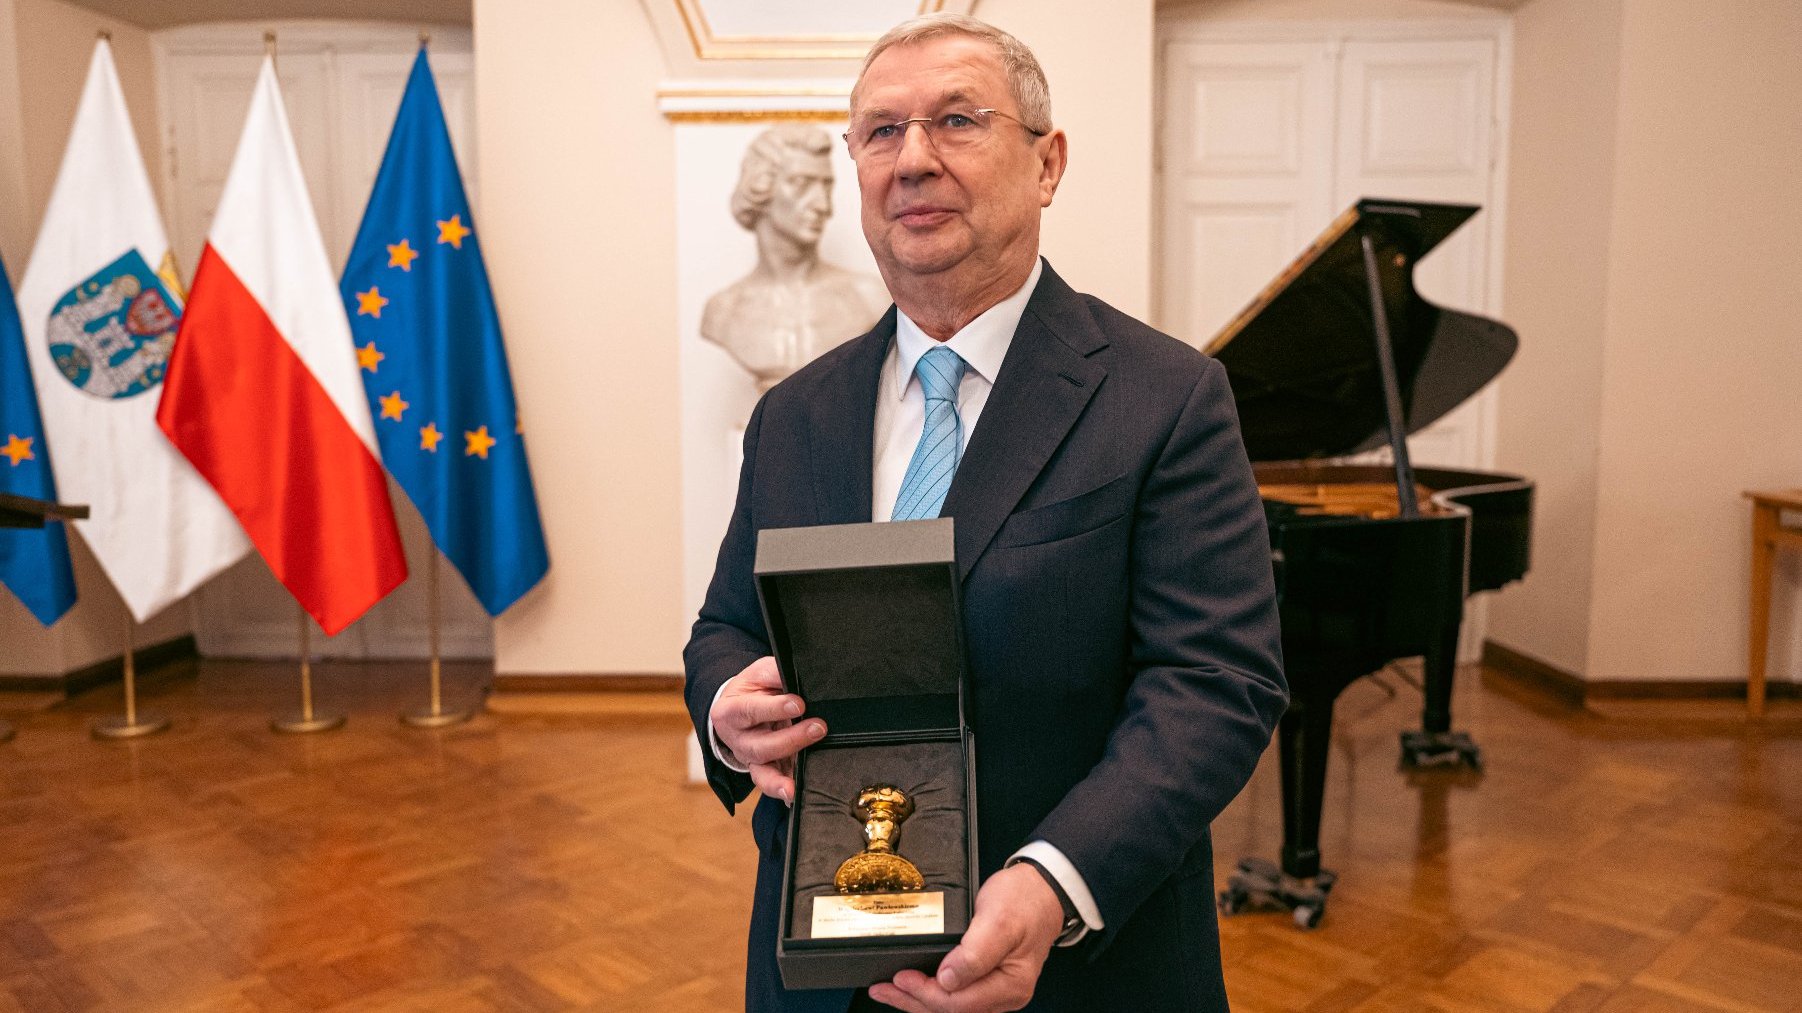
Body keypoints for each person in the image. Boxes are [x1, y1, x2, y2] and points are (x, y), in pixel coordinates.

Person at [685, 13, 1287, 1013]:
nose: (911, 159)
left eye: (956, 121)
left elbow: (1214, 681)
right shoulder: (793, 413)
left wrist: (1052, 879)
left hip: (1081, 962)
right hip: (820, 961)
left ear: (1046, 164)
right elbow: (725, 627)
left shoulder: (1163, 397)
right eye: (880, 132)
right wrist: (724, 712)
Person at [701, 123, 891, 391]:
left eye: (826, 186)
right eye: (802, 184)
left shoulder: (868, 297)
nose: (823, 205)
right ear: (759, 189)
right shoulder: (723, 312)